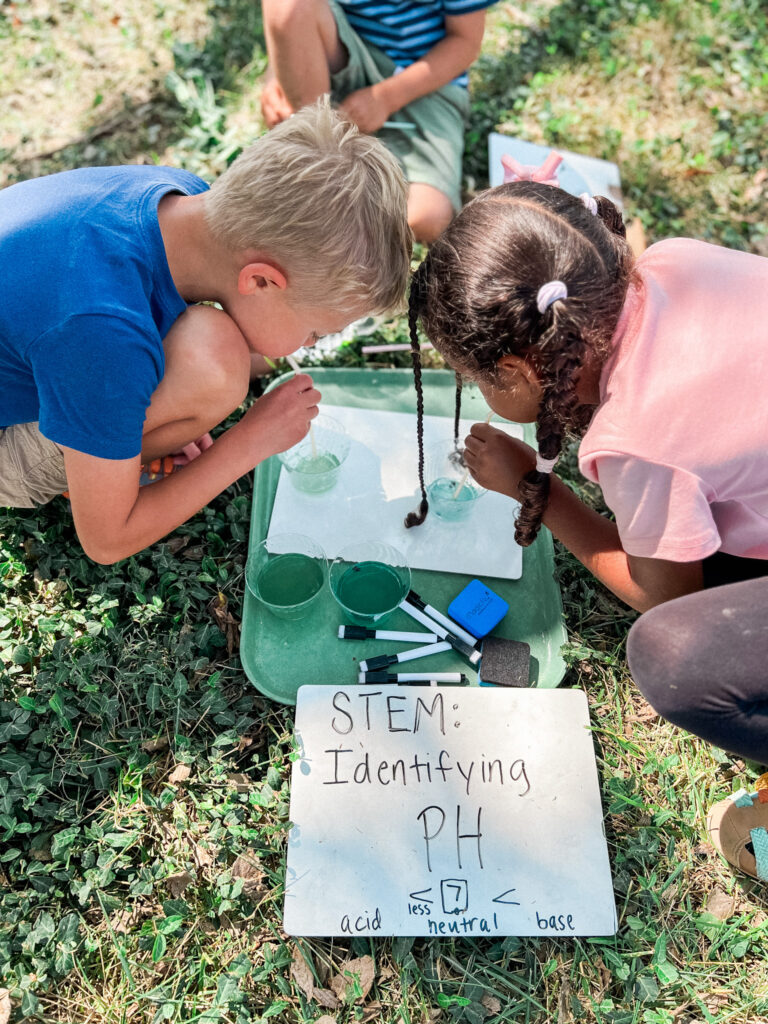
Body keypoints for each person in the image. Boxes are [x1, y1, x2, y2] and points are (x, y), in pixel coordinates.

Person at [403, 180, 768, 869]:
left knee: (672, 658)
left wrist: (536, 490)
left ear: (514, 371)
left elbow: (667, 597)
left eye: (475, 379)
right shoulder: (671, 262)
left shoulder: (638, 441)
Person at [0, 101, 411, 563]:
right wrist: (250, 442)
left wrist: (166, 405)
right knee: (215, 362)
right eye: (315, 330)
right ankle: (95, 472)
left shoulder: (180, 199)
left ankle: (101, 452)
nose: (309, 344)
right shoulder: (103, 330)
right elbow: (106, 541)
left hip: (64, 344)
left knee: (207, 354)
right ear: (259, 280)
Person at [259, 0, 495, 244]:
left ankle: (345, 214)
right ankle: (315, 163)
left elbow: (465, 43)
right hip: (344, 48)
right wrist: (278, 72)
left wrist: (385, 98)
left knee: (428, 218)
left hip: (425, 79)